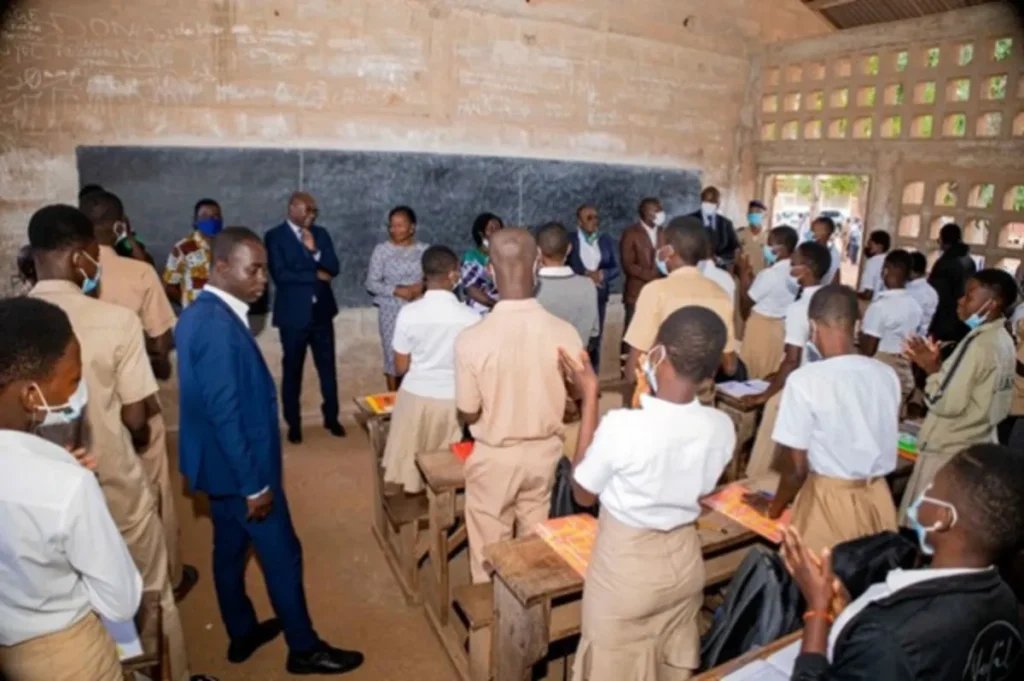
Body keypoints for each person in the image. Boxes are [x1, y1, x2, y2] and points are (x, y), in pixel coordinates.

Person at [176, 227, 364, 675]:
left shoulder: (199, 314)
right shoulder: (219, 327)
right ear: (222, 268)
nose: (264, 279)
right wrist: (255, 485)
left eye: (264, 269)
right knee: (282, 553)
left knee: (228, 548)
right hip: (243, 472)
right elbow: (226, 413)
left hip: (216, 469)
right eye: (253, 269)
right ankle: (303, 647)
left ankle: (241, 630)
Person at [26, 204, 194, 681]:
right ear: (82, 256)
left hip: (39, 500)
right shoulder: (115, 321)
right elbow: (137, 419)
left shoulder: (16, 322)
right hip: (112, 482)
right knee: (147, 591)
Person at [564, 307, 735, 681]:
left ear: (658, 353)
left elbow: (582, 493)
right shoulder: (721, 427)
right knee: (665, 663)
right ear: (710, 372)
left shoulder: (623, 427)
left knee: (610, 665)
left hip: (626, 571)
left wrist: (590, 396)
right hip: (685, 563)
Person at [785, 444, 1023, 680]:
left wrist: (816, 609)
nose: (924, 495)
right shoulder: (1006, 600)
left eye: (931, 489)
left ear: (943, 519)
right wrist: (850, 612)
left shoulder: (888, 639)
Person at [0, 297, 144, 681]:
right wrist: (72, 490)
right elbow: (120, 601)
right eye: (73, 380)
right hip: (65, 655)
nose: (77, 394)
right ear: (32, 396)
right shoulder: (67, 486)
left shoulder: (55, 476)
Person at [80, 189, 199, 600]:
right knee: (153, 492)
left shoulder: (64, 275)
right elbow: (161, 343)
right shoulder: (138, 272)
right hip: (134, 401)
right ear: (119, 224)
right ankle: (170, 574)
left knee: (96, 496)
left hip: (81, 411)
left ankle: (106, 581)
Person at [454, 228, 583, 583]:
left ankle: (491, 619)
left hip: (495, 457)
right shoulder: (564, 332)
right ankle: (530, 616)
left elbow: (468, 411)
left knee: (489, 552)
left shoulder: (471, 339)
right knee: (534, 545)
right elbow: (576, 397)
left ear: (491, 272)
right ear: (538, 264)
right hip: (545, 455)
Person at [754, 285, 900, 553]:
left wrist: (772, 509)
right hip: (879, 497)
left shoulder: (805, 381)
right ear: (857, 324)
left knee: (822, 585)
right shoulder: (886, 374)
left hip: (829, 502)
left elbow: (797, 471)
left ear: (812, 325)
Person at [901, 269, 1017, 517]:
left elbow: (942, 401)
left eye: (970, 296)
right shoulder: (1003, 339)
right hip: (976, 443)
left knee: (929, 529)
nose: (960, 301)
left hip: (948, 450)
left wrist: (930, 368)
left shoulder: (978, 345)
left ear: (991, 304)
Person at [381, 246, 480, 494]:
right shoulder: (470, 317)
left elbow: (400, 366)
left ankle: (417, 498)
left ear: (424, 275)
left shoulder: (408, 313)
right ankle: (445, 514)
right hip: (453, 400)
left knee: (413, 462)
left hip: (415, 397)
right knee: (447, 468)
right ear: (453, 275)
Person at [622, 217, 739, 405]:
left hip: (661, 399)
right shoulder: (720, 294)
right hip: (702, 402)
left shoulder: (655, 291)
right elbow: (730, 366)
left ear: (668, 251)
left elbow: (634, 365)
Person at [744, 241, 833, 477]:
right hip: (827, 386)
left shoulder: (800, 308)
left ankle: (758, 480)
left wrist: (767, 393)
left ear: (806, 269)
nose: (789, 270)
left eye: (793, 265)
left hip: (800, 386)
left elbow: (793, 360)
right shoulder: (832, 299)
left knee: (769, 437)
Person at [265, 191, 345, 443]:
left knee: (328, 369)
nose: (312, 215)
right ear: (293, 208)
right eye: (308, 210)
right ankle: (294, 423)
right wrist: (314, 275)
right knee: (292, 371)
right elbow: (281, 274)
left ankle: (331, 417)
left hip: (322, 313)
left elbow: (333, 267)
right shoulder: (274, 236)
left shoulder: (321, 235)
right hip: (293, 316)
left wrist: (315, 251)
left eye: (315, 211)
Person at [365, 206, 429, 391]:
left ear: (412, 227)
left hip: (418, 308)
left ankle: (416, 399)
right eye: (392, 226)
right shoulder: (382, 250)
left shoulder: (424, 250)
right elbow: (371, 283)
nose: (395, 230)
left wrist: (421, 287)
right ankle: (393, 406)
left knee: (418, 355)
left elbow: (433, 277)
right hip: (390, 311)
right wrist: (397, 290)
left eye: (401, 225)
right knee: (393, 358)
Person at [859, 249, 923, 411]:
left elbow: (869, 349)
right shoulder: (915, 306)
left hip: (881, 366)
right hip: (904, 366)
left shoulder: (880, 306)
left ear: (885, 270)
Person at [736, 225, 799, 380]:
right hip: (780, 327)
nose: (766, 248)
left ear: (782, 249)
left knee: (751, 370)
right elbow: (764, 292)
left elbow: (746, 303)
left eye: (769, 244)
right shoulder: (795, 272)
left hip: (760, 328)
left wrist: (743, 274)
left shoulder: (771, 274)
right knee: (770, 368)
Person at [567, 204, 619, 372]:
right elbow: (562, 264)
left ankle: (592, 379)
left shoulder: (605, 241)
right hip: (576, 297)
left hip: (598, 297)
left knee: (595, 339)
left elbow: (616, 267)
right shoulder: (570, 240)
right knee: (574, 338)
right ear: (579, 221)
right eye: (589, 218)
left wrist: (602, 275)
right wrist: (584, 274)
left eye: (596, 217)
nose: (594, 221)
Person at [536, 221, 600, 345]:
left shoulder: (529, 288)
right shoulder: (588, 286)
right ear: (569, 248)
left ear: (538, 252)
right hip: (575, 360)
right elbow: (594, 333)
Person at [619, 197, 665, 370]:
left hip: (660, 293)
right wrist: (651, 276)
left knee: (655, 335)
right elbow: (628, 265)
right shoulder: (631, 233)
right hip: (636, 294)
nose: (659, 213)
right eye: (655, 209)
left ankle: (651, 374)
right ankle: (627, 373)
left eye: (660, 209)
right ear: (644, 213)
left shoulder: (663, 233)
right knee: (632, 335)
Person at [163, 198, 223, 309]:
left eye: (216, 216)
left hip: (222, 314)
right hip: (194, 315)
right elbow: (169, 286)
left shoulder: (229, 247)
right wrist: (189, 305)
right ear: (195, 221)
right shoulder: (182, 248)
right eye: (205, 217)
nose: (212, 220)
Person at [928, 223, 977, 346]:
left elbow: (936, 295)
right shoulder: (969, 260)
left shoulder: (945, 263)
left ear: (944, 241)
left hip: (946, 322)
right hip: (964, 319)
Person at [460, 212, 503, 314]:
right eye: (491, 229)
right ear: (481, 233)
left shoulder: (506, 254)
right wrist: (495, 305)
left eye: (499, 228)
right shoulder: (471, 256)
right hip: (479, 310)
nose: (496, 232)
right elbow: (471, 289)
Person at [688, 186, 739, 268]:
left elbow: (735, 248)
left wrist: (721, 259)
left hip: (719, 271)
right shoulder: (690, 221)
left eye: (712, 201)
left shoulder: (726, 224)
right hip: (695, 270)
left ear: (718, 204)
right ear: (701, 201)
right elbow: (684, 246)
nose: (709, 204)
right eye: (706, 201)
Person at [906, 251, 939, 336]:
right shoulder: (932, 291)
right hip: (923, 336)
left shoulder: (911, 292)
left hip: (909, 337)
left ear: (911, 271)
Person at [736, 200, 768, 276]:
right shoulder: (739, 234)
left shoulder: (769, 236)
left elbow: (771, 260)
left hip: (761, 279)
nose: (754, 215)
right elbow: (735, 258)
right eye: (752, 212)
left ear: (764, 215)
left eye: (758, 212)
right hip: (742, 278)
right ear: (747, 215)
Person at [857, 230, 891, 301]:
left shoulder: (872, 262)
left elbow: (868, 294)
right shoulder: (890, 260)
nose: (868, 247)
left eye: (870, 244)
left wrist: (852, 293)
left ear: (879, 247)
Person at [810, 216, 842, 285]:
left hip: (824, 291)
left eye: (819, 229)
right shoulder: (810, 248)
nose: (815, 232)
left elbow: (836, 275)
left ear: (829, 232)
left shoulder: (834, 253)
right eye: (814, 229)